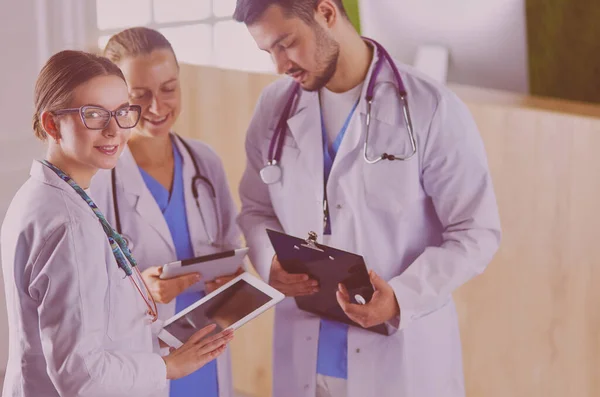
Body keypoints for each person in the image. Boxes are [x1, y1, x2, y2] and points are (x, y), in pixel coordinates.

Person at [233, 1, 502, 396]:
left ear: (326, 13)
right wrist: (268, 260)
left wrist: (402, 297)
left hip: (398, 357)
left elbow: (476, 232)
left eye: (286, 43)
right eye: (268, 51)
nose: (279, 65)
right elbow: (257, 208)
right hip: (307, 352)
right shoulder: (274, 107)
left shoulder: (430, 108)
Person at [0, 50, 234, 397]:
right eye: (93, 114)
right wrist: (169, 367)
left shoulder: (48, 195)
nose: (115, 130)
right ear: (52, 124)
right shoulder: (68, 223)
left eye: (122, 112)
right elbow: (82, 376)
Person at [89, 27, 242, 397]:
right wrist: (143, 290)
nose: (158, 107)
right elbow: (85, 290)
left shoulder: (205, 162)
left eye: (169, 88)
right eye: (139, 95)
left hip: (207, 348)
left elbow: (231, 252)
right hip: (141, 359)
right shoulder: (98, 178)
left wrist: (234, 281)